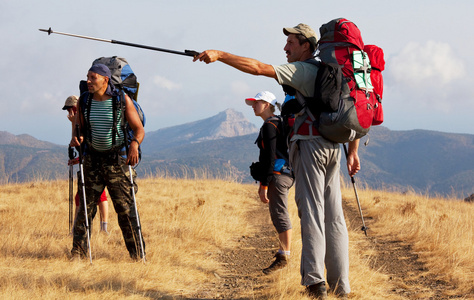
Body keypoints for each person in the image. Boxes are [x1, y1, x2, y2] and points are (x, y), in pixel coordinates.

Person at [194, 23, 360, 299]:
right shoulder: (333, 73)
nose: (285, 48)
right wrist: (353, 152)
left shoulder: (304, 70)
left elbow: (259, 68)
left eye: (291, 43)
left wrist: (220, 55)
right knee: (335, 218)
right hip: (334, 148)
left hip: (310, 147)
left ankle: (314, 282)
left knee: (311, 213)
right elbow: (354, 111)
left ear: (306, 45)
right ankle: (341, 287)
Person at [69, 63, 146, 260]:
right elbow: (80, 126)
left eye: (92, 78)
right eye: (87, 77)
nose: (88, 81)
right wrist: (77, 138)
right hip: (92, 160)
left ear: (105, 80)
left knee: (126, 210)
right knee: (84, 210)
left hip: (116, 161)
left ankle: (138, 255)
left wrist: (134, 145)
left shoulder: (121, 99)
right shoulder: (85, 100)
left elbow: (138, 129)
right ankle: (78, 255)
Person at [245, 91, 294, 275]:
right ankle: (284, 254)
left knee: (280, 213)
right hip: (287, 173)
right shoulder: (279, 122)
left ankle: (284, 256)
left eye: (256, 103)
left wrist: (263, 185)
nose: (253, 107)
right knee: (279, 213)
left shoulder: (269, 126)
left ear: (266, 105)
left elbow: (269, 157)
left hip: (278, 175)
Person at [63, 95, 110, 233]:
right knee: (92, 195)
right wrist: (77, 160)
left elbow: (79, 141)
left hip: (94, 162)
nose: (69, 112)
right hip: (91, 160)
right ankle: (99, 228)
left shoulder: (83, 118)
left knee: (97, 195)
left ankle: (81, 229)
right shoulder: (83, 117)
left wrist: (73, 122)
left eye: (70, 108)